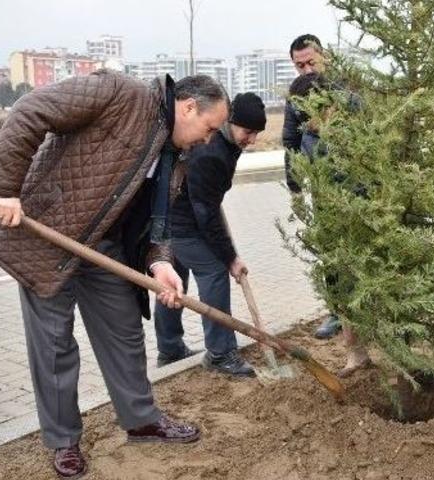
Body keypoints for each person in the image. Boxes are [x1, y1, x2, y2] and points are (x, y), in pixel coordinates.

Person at [0, 71, 229, 478]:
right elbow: (30, 110)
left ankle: (141, 421)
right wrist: (4, 188)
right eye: (209, 128)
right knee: (53, 344)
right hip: (47, 236)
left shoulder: (175, 156)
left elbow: (156, 220)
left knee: (125, 331)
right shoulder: (118, 93)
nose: (209, 140)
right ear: (189, 107)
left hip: (104, 247)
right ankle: (64, 441)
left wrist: (160, 262)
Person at [153, 92, 267, 376]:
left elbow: (209, 203)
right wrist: (230, 258)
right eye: (248, 131)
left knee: (173, 280)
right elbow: (206, 215)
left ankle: (170, 349)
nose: (252, 140)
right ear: (231, 122)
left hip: (172, 217)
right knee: (214, 271)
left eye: (257, 133)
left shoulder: (226, 143)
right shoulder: (210, 153)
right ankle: (220, 353)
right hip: (181, 223)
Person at [287, 72, 371, 376]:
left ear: (329, 103)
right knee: (341, 283)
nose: (307, 124)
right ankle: (356, 353)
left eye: (310, 115)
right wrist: (297, 189)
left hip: (367, 215)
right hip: (331, 218)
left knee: (370, 282)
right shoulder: (310, 133)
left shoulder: (359, 121)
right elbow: (294, 151)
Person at [282, 33, 343, 339]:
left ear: (324, 57)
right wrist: (295, 189)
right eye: (299, 65)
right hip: (322, 187)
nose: (306, 70)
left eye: (311, 62)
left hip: (357, 184)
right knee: (330, 248)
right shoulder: (296, 96)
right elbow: (291, 142)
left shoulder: (346, 89)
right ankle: (338, 312)